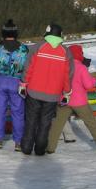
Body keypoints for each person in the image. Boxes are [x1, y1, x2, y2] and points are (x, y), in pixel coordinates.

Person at [20, 24, 74, 156]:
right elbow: (67, 75)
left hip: (33, 91)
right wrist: (67, 92)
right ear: (60, 35)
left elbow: (28, 68)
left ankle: (26, 148)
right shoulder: (65, 51)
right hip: (53, 95)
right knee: (45, 123)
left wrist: (23, 84)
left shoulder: (37, 47)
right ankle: (40, 149)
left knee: (31, 121)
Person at [46, 45, 96, 153]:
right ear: (79, 54)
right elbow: (89, 85)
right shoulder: (81, 67)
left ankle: (50, 147)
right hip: (79, 102)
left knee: (57, 125)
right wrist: (92, 79)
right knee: (91, 123)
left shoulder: (62, 66)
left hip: (64, 100)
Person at [0, 19, 29, 151]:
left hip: (2, 80)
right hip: (17, 81)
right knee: (18, 112)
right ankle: (18, 141)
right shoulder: (23, 49)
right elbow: (26, 63)